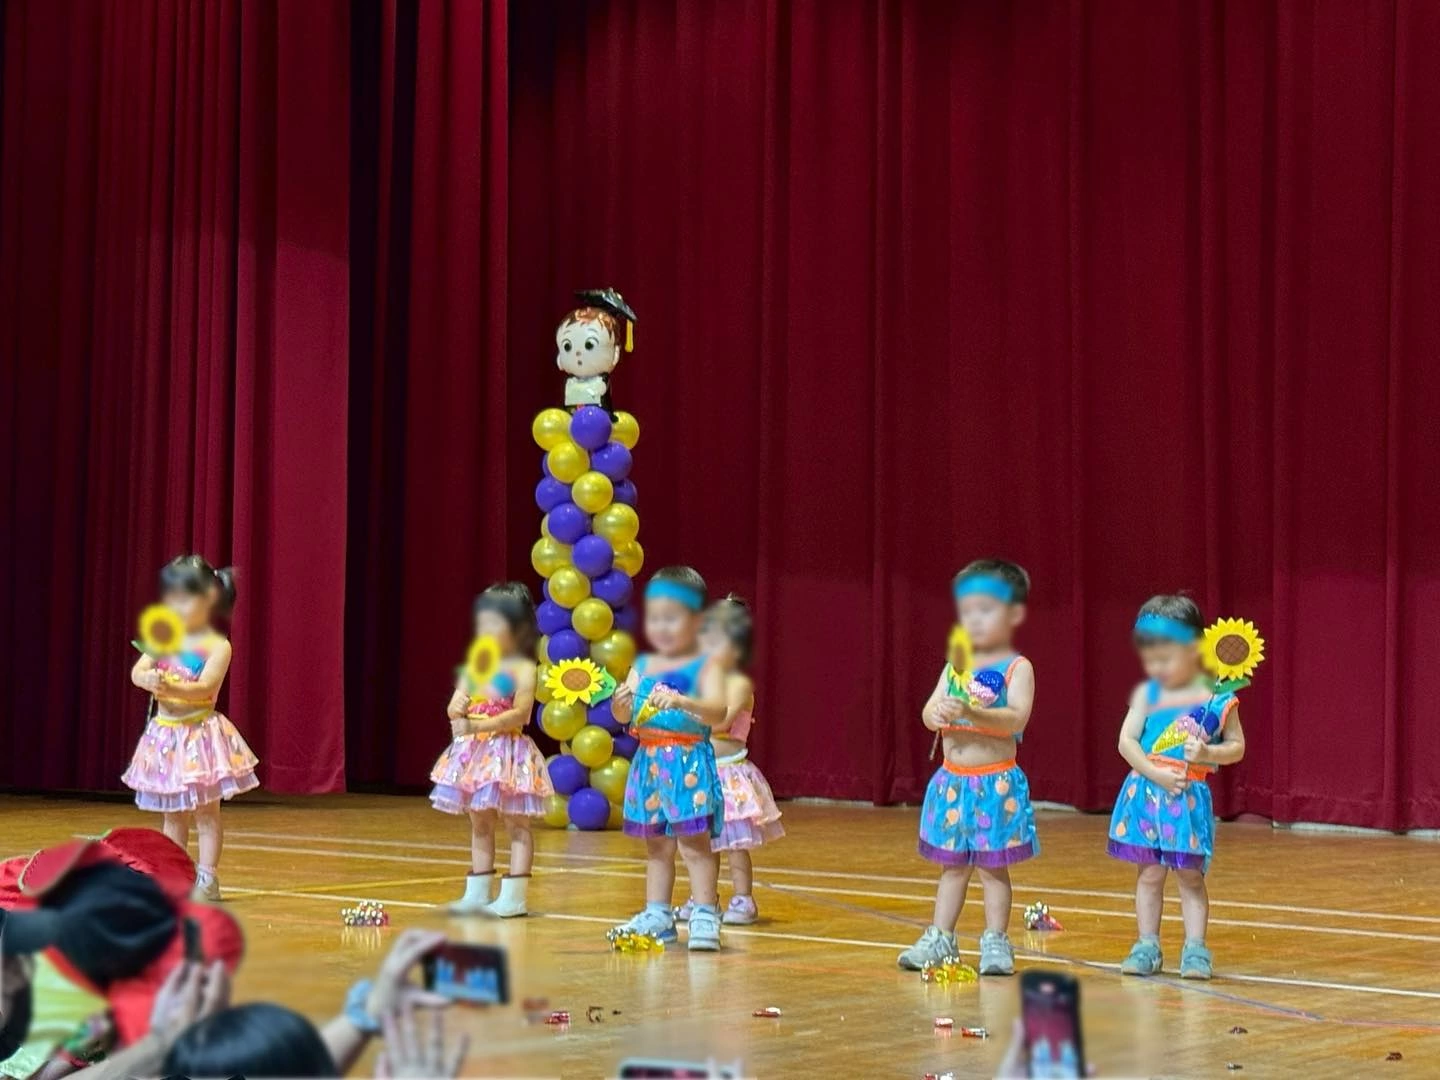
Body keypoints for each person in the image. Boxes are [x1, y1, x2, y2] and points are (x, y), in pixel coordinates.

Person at [899, 559, 1039, 976]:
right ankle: (940, 937)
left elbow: (1016, 720)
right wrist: (938, 712)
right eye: (968, 609)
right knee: (953, 866)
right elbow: (928, 714)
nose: (974, 619)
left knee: (993, 867)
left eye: (987, 609)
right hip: (953, 784)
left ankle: (995, 940)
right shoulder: (955, 665)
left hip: (994, 785)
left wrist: (975, 715)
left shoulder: (1018, 668)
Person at [1106, 595, 1246, 980]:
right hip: (1147, 796)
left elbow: (1237, 748)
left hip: (1187, 801)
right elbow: (1127, 742)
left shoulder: (1219, 699)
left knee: (1190, 876)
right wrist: (1157, 774)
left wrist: (1206, 750)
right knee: (1149, 874)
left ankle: (1196, 949)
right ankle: (1147, 944)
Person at [122, 555, 258, 901]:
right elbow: (138, 672)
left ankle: (207, 877)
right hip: (167, 738)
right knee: (173, 813)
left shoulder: (217, 646)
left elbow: (205, 688)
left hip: (199, 738)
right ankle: (173, 873)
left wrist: (171, 687)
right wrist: (148, 678)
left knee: (206, 812)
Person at [608, 567, 729, 951]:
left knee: (694, 844)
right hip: (649, 763)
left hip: (687, 763)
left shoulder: (706, 665)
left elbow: (717, 712)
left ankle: (705, 915)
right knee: (657, 846)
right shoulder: (641, 666)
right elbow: (622, 717)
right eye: (655, 617)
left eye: (672, 617)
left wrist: (681, 701)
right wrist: (620, 704)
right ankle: (658, 914)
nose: (661, 626)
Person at [429, 582, 552, 917]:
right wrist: (457, 707)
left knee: (517, 824)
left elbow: (521, 715)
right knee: (479, 822)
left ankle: (514, 896)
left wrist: (477, 725)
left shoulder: (524, 669)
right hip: (475, 756)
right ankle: (478, 892)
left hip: (508, 755)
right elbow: (455, 708)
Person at [674, 597, 783, 927]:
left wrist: (686, 710)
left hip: (730, 773)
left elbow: (720, 723)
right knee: (701, 840)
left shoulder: (738, 684)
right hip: (703, 771)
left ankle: (744, 898)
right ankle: (703, 897)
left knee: (735, 842)